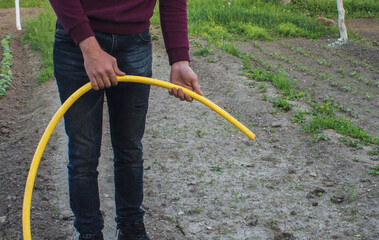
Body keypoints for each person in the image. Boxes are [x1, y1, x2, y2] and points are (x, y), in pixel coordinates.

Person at [48, 0, 202, 239]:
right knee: (83, 153)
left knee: (130, 149)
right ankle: (89, 233)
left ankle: (131, 228)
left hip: (134, 43)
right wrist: (89, 47)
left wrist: (180, 59)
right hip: (77, 45)